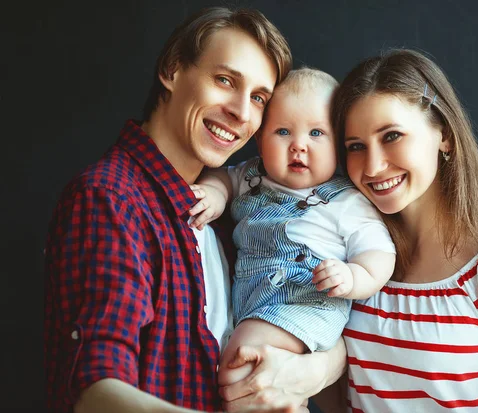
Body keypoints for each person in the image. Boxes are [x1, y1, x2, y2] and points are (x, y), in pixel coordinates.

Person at [43, 7, 346, 413]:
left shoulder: (232, 213)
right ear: (171, 71)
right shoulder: (111, 198)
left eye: (258, 98)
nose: (241, 112)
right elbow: (95, 391)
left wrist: (313, 370)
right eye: (225, 80)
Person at [323, 49, 478, 412]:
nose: (373, 165)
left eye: (392, 135)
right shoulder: (350, 261)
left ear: (444, 135)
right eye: (356, 146)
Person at [188, 68, 396, 386]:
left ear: (338, 145)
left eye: (316, 133)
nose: (298, 146)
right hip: (253, 303)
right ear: (259, 138)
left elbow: (380, 253)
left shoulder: (346, 201)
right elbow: (221, 177)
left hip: (307, 301)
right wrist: (216, 194)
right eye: (283, 132)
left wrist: (353, 277)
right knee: (261, 380)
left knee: (240, 363)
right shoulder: (250, 176)